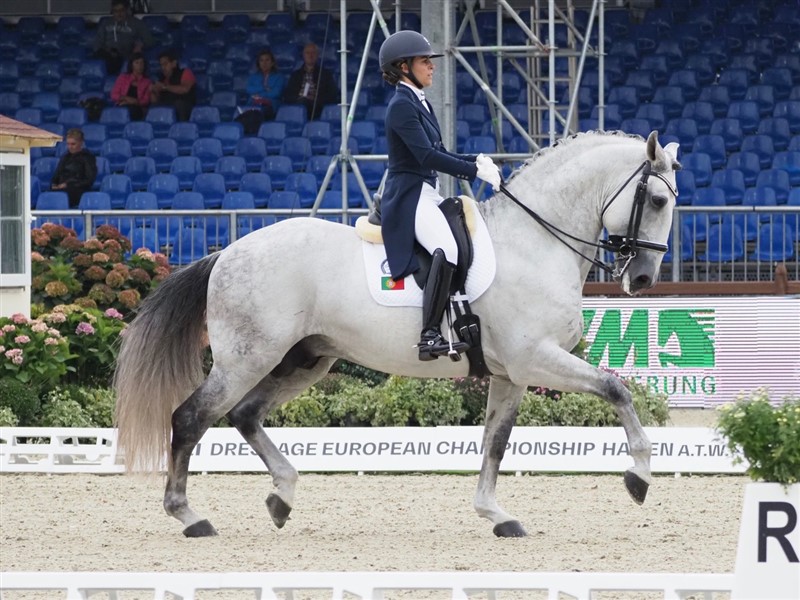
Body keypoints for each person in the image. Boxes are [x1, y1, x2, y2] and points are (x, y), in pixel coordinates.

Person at [378, 30, 502, 362]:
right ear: (403, 67)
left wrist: (474, 160)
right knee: (445, 247)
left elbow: (441, 151)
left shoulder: (419, 102)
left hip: (427, 192)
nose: (431, 67)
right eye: (424, 62)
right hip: (410, 195)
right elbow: (427, 158)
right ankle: (429, 334)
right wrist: (473, 172)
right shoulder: (401, 107)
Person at [92, 0, 155, 76]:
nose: (119, 14)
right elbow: (97, 44)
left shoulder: (137, 23)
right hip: (107, 54)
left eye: (121, 10)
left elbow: (150, 41)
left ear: (127, 10)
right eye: (115, 11)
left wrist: (141, 45)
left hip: (125, 54)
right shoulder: (106, 23)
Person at [282, 43, 338, 120]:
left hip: (318, 107)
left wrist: (315, 99)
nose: (310, 55)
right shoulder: (295, 75)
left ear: (317, 55)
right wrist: (300, 98)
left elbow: (332, 95)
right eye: (307, 53)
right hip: (300, 106)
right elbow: (288, 96)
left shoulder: (326, 74)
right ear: (303, 55)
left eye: (313, 53)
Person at [236, 49, 286, 134]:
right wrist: (264, 87)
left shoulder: (279, 77)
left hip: (270, 106)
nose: (264, 63)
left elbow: (275, 93)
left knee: (254, 116)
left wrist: (259, 94)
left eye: (267, 60)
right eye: (261, 60)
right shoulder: (253, 77)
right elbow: (249, 90)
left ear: (272, 62)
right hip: (253, 104)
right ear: (258, 63)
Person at [51, 128, 98, 208]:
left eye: (73, 144)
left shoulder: (88, 157)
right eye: (68, 144)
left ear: (81, 143)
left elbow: (89, 180)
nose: (70, 147)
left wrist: (68, 184)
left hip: (79, 190)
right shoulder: (65, 157)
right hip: (61, 189)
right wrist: (54, 184)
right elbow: (57, 175)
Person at [150, 48, 196, 122]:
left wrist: (165, 87)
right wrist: (153, 91)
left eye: (165, 64)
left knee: (179, 104)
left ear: (174, 63)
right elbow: (155, 101)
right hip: (166, 110)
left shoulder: (185, 72)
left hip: (185, 108)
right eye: (161, 65)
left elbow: (185, 89)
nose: (163, 68)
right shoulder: (161, 79)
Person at [110, 52, 152, 120]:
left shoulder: (147, 81)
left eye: (142, 63)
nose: (140, 65)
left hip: (137, 108)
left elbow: (146, 100)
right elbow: (114, 95)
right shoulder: (122, 77)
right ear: (131, 65)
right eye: (137, 63)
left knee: (129, 112)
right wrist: (126, 98)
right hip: (122, 105)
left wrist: (135, 102)